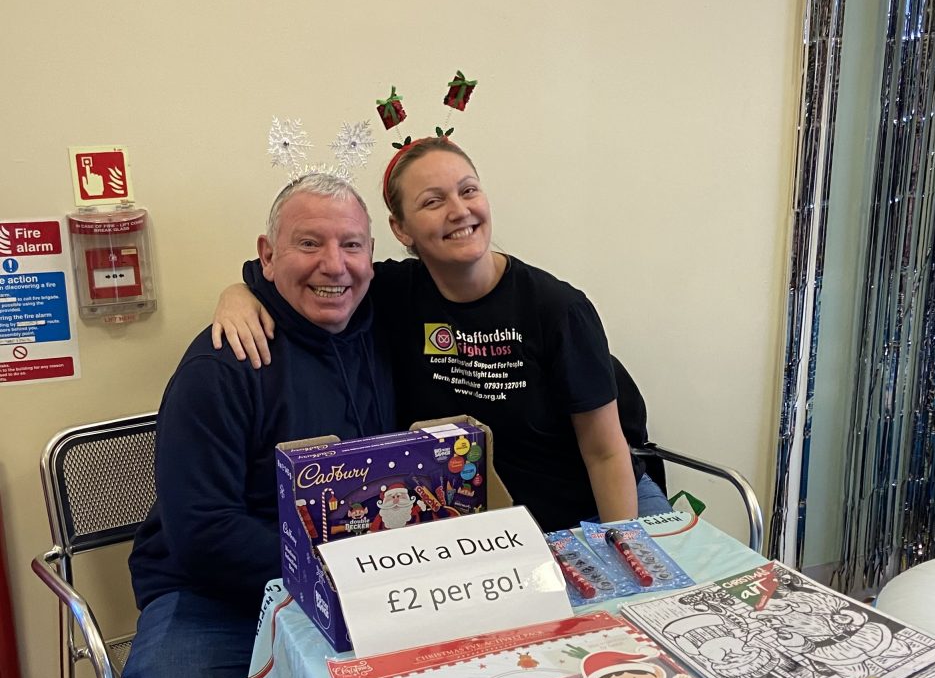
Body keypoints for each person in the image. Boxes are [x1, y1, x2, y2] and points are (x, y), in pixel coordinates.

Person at [126, 173, 393, 678]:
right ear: (266, 255)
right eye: (308, 243)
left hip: (356, 584)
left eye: (351, 244)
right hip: (215, 594)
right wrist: (333, 581)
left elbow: (464, 264)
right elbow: (201, 533)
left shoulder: (386, 319)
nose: (334, 265)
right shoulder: (223, 361)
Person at [213, 137, 671, 531]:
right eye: (433, 201)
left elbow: (606, 454)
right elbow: (293, 274)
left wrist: (620, 544)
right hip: (486, 530)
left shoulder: (557, 309)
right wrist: (237, 294)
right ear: (401, 229)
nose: (459, 211)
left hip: (593, 513)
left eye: (468, 190)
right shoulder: (390, 292)